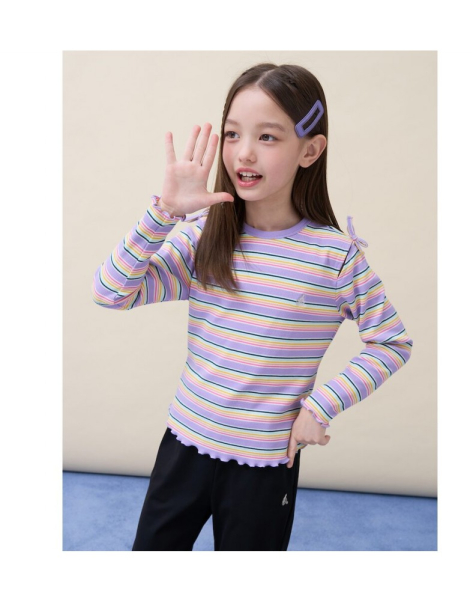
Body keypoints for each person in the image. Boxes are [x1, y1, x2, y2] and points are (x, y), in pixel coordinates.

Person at [91, 62, 413, 551]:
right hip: (184, 445)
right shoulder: (206, 236)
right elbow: (111, 291)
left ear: (310, 150)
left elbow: (392, 343)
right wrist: (165, 212)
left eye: (267, 137)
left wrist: (321, 407)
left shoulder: (335, 257)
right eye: (233, 134)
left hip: (263, 466)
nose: (243, 152)